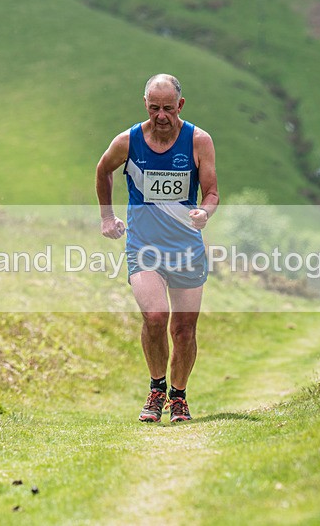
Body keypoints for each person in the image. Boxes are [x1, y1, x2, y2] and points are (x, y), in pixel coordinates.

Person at [95, 74, 219, 423]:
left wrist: (203, 212)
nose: (161, 116)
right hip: (143, 246)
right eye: (154, 108)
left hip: (185, 247)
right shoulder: (129, 141)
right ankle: (156, 389)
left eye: (167, 108)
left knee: (184, 329)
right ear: (145, 104)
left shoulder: (198, 140)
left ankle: (178, 396)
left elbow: (211, 192)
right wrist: (107, 217)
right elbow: (103, 170)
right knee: (154, 317)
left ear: (180, 105)